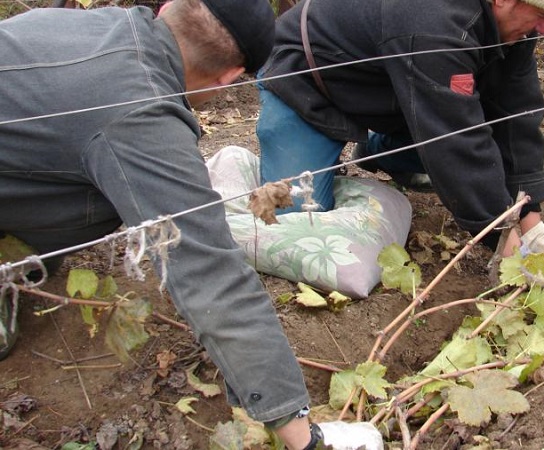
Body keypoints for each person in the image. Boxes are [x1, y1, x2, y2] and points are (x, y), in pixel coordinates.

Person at [0, 1, 381, 449]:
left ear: (166, 10)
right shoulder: (137, 114)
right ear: (229, 78)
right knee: (118, 195)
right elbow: (211, 275)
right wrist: (305, 436)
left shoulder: (75, 25)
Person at [256, 0, 544, 285]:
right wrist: (508, 246)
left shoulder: (517, 31)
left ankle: (380, 148)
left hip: (393, 90)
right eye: (540, 14)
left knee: (467, 137)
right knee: (294, 217)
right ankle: (341, 143)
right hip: (309, 84)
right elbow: (455, 141)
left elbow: (514, 116)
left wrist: (532, 225)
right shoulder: (433, 20)